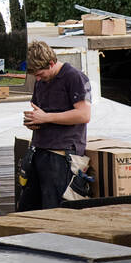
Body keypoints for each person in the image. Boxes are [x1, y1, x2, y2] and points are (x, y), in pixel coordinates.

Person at [20, 40, 93, 210]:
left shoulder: (74, 77)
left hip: (62, 155)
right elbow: (42, 114)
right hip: (39, 151)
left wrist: (45, 118)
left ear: (51, 63)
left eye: (40, 74)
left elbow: (84, 114)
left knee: (55, 210)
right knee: (29, 210)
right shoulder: (41, 82)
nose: (38, 79)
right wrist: (34, 121)